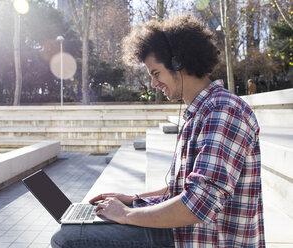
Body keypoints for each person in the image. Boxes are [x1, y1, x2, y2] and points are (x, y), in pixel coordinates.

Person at [51, 14, 265, 248]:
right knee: (75, 227)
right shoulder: (203, 111)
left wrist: (125, 215)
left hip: (196, 240)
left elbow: (199, 202)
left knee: (67, 239)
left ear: (178, 63)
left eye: (155, 73)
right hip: (185, 235)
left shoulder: (223, 111)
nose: (154, 83)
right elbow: (185, 189)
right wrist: (134, 201)